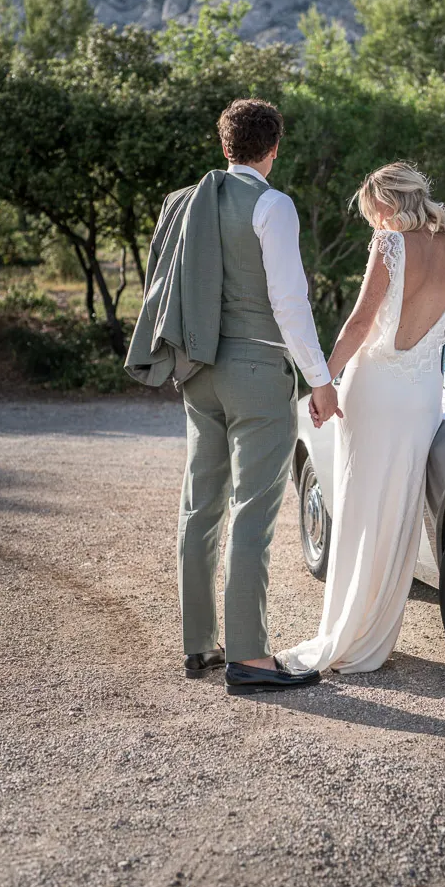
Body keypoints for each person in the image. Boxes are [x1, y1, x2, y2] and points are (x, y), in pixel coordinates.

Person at [128, 98, 340, 694]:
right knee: (254, 509)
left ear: (226, 146)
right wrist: (319, 380)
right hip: (256, 371)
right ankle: (250, 658)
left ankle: (199, 649)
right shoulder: (273, 204)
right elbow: (289, 303)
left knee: (201, 505)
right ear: (273, 149)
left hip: (197, 370)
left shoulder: (183, 204)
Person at [277, 162, 445, 676]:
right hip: (420, 399)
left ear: (388, 205)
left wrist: (324, 380)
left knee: (362, 507)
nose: (373, 223)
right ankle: (372, 636)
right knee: (398, 510)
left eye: (373, 213)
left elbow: (362, 321)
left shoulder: (390, 244)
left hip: (374, 389)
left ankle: (345, 632)